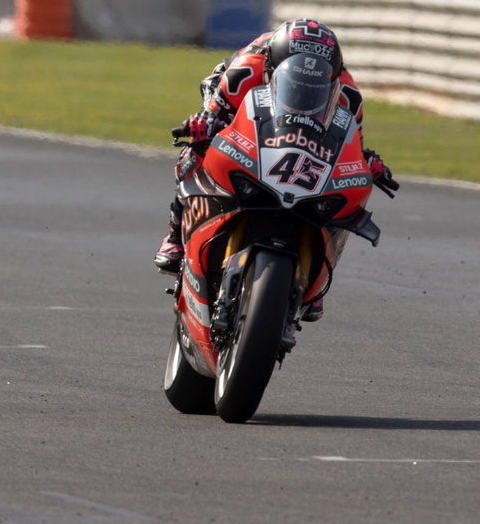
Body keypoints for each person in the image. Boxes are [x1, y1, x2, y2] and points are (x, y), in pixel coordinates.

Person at [152, 18, 396, 319]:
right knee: (196, 150)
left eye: (315, 83)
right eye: (296, 80)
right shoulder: (246, 69)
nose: (304, 89)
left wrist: (365, 161)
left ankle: (315, 278)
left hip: (304, 138)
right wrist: (205, 123)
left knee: (343, 192)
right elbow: (213, 113)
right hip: (237, 102)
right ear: (272, 65)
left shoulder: (348, 93)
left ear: (332, 77)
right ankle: (176, 233)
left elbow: (350, 142)